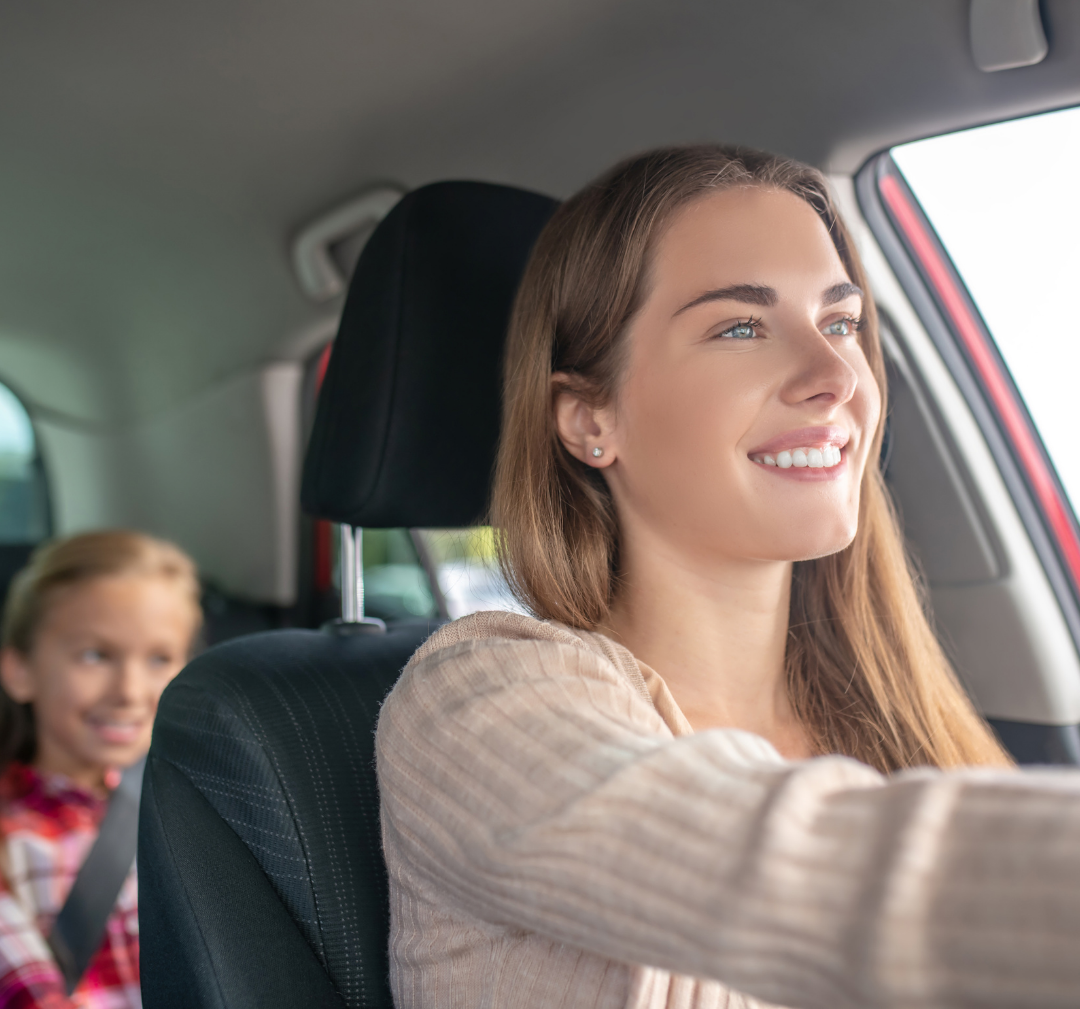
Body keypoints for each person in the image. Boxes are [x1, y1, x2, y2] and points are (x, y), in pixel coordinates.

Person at [376, 145, 1080, 1008]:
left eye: (842, 322)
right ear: (589, 419)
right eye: (740, 327)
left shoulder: (895, 716)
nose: (834, 377)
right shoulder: (472, 706)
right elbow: (792, 867)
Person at [0, 531, 200, 1008]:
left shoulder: (194, 814)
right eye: (95, 655)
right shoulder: (12, 837)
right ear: (20, 670)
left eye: (159, 659)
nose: (129, 691)